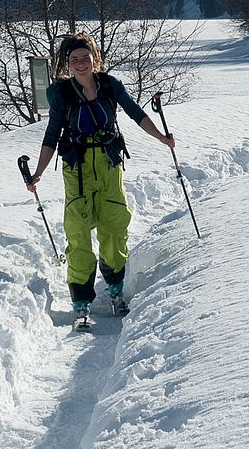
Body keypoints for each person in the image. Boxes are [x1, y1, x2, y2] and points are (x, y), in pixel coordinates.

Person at [26, 33, 176, 324]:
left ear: (95, 59)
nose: (81, 63)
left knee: (114, 225)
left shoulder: (110, 85)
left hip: (108, 164)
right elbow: (52, 135)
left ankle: (116, 289)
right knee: (78, 230)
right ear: (67, 64)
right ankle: (81, 299)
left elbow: (135, 113)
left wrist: (162, 137)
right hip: (77, 169)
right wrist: (39, 173)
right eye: (75, 59)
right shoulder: (62, 94)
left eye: (85, 57)